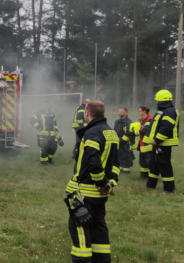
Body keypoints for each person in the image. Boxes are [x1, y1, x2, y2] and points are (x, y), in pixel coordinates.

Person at [65, 100, 119, 263]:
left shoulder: (92, 133)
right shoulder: (111, 132)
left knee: (80, 228)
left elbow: (93, 162)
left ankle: (82, 261)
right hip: (100, 195)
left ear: (87, 113)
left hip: (85, 193)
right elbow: (116, 164)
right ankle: (102, 259)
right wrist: (109, 184)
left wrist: (100, 181)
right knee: (98, 226)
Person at [145, 90, 179, 193]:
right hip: (158, 143)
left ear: (163, 101)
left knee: (164, 166)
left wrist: (157, 139)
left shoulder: (169, 111)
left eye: (158, 100)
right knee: (154, 165)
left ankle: (169, 189)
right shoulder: (163, 110)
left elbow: (166, 127)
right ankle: (151, 185)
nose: (157, 102)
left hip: (163, 143)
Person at [114, 108, 134, 174]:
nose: (119, 113)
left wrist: (121, 140)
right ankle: (120, 170)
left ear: (125, 113)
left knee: (125, 157)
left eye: (121, 112)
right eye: (119, 112)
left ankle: (126, 171)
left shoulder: (128, 122)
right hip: (118, 142)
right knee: (119, 157)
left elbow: (129, 134)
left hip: (126, 144)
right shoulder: (118, 121)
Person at [135, 106, 153, 178]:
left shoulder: (150, 119)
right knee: (142, 161)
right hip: (142, 143)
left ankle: (151, 177)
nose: (138, 112)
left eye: (139, 111)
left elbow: (144, 131)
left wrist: (133, 132)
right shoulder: (142, 120)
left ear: (144, 111)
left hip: (148, 144)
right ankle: (143, 176)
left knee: (149, 161)